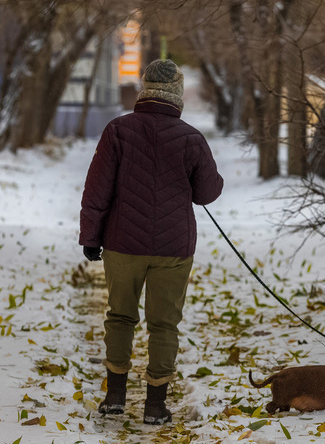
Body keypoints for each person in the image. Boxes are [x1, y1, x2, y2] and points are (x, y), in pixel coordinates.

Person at [79, 59, 223, 425]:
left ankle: (114, 398)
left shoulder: (118, 131)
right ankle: (155, 405)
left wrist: (90, 236)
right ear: (177, 94)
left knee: (120, 316)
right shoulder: (191, 138)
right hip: (174, 249)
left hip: (122, 243)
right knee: (164, 325)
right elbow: (208, 192)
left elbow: (96, 189)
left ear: (144, 89)